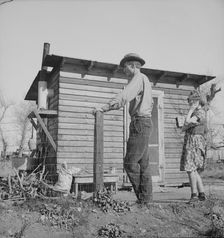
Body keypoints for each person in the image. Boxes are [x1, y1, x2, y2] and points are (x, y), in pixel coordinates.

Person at [92, 53, 154, 204]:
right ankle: (146, 201)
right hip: (144, 123)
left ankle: (143, 199)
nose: (124, 71)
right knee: (143, 165)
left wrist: (105, 107)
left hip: (140, 123)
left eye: (125, 67)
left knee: (130, 163)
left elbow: (125, 96)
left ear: (133, 65)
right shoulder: (144, 79)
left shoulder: (138, 78)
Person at [180, 90, 207, 203]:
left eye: (191, 102)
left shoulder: (199, 113)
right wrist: (186, 124)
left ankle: (194, 195)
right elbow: (184, 127)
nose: (190, 104)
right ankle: (201, 194)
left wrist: (190, 111)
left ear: (197, 101)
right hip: (192, 140)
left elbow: (187, 121)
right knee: (193, 169)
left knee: (191, 169)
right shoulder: (197, 113)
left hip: (194, 142)